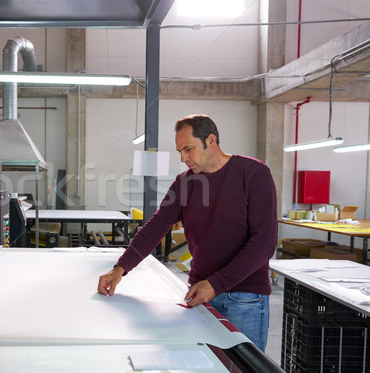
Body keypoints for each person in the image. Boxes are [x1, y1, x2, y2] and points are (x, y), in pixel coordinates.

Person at [97, 114, 277, 351]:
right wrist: (120, 268)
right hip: (199, 292)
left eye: (188, 149)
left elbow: (264, 242)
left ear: (211, 140)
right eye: (180, 151)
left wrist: (216, 284)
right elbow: (154, 228)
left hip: (244, 298)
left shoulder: (253, 173)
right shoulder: (184, 183)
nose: (183, 158)